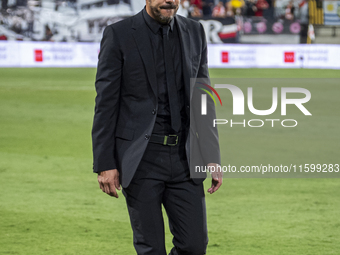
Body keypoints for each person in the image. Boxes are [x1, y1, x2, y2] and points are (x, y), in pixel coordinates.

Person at [92, 0, 222, 254]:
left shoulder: (195, 31)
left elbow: (203, 97)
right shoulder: (118, 34)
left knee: (194, 246)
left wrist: (212, 156)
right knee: (150, 248)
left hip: (185, 157)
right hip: (141, 158)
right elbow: (105, 104)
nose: (169, 1)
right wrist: (105, 163)